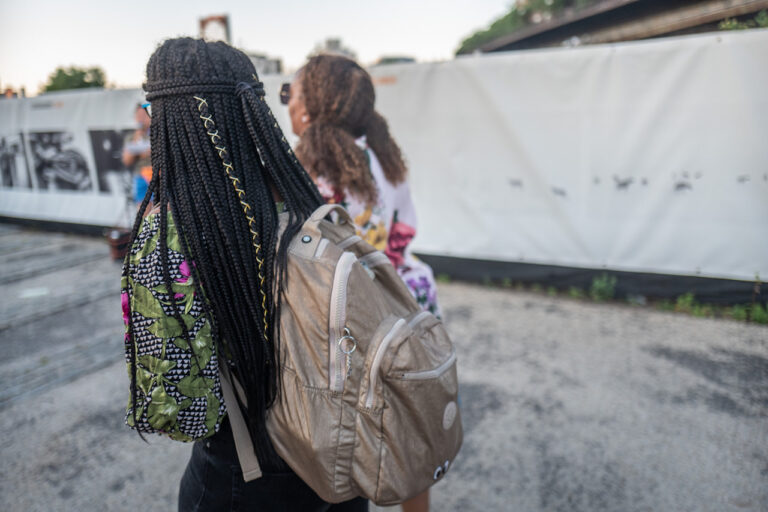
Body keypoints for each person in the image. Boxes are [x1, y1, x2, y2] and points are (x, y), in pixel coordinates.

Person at [122, 37, 367, 512]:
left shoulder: (168, 234)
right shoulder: (302, 199)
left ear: (167, 117)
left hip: (243, 479)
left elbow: (180, 411)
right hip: (339, 457)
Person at [285, 54, 439, 512]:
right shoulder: (386, 160)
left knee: (344, 436)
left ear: (309, 108)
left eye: (287, 95)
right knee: (409, 430)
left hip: (345, 324)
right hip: (405, 305)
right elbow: (402, 233)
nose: (285, 105)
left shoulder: (305, 171)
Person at [121, 103, 152, 203]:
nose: (141, 119)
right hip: (141, 176)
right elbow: (126, 161)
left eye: (143, 116)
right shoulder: (131, 137)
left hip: (158, 175)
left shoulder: (158, 133)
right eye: (138, 116)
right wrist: (136, 142)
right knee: (143, 209)